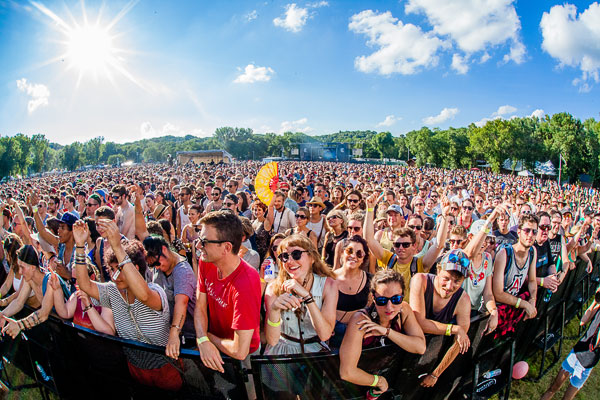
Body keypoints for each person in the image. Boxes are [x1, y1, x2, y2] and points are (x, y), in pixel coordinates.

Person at [73, 219, 180, 391]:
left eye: (119, 269)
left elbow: (144, 295)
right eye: (112, 269)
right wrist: (79, 245)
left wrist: (117, 247)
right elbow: (85, 285)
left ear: (135, 268)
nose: (115, 276)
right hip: (135, 369)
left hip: (166, 369)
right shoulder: (112, 292)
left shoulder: (155, 291)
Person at [339, 270, 426, 396]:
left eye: (396, 299)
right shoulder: (361, 320)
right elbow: (347, 372)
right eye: (382, 301)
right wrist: (378, 381)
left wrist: (386, 332)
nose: (390, 307)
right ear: (374, 298)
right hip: (360, 385)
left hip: (391, 381)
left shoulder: (403, 310)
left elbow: (420, 347)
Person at [194, 211, 261, 373]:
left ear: (226, 247)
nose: (198, 246)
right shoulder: (206, 261)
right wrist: (202, 339)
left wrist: (207, 338)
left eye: (204, 242)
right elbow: (200, 306)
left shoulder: (247, 282)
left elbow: (240, 350)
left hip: (244, 359)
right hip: (214, 348)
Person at [364, 193, 450, 299]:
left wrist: (445, 216)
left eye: (405, 245)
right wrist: (369, 209)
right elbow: (369, 240)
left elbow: (439, 245)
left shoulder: (420, 264)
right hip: (389, 309)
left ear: (414, 246)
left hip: (411, 312)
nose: (401, 248)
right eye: (397, 244)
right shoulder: (389, 258)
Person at [263, 233, 338, 354]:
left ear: (312, 258)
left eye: (296, 254)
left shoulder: (328, 285)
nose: (290, 261)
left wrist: (307, 297)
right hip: (282, 352)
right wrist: (275, 310)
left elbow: (325, 335)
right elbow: (272, 340)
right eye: (284, 256)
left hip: (315, 352)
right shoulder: (273, 288)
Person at [409, 249, 472, 387]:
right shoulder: (420, 280)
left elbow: (458, 344)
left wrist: (435, 374)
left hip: (430, 355)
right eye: (446, 278)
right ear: (438, 270)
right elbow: (419, 322)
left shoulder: (463, 300)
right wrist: (454, 328)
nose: (449, 286)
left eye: (457, 281)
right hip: (408, 347)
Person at [540, 288, 600, 400]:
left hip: (586, 362)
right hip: (577, 352)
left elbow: (596, 343)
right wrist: (594, 302)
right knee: (553, 387)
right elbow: (582, 321)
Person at [143, 235, 197, 359]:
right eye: (152, 265)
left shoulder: (182, 271)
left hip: (188, 335)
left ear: (164, 249)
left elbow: (181, 303)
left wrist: (174, 333)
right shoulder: (159, 266)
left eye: (157, 263)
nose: (156, 267)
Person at [0, 245, 70, 339]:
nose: (20, 272)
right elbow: (18, 302)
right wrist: (2, 315)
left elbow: (44, 313)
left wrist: (19, 325)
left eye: (22, 267)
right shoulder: (29, 280)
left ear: (33, 267)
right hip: (55, 330)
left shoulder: (50, 280)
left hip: (69, 331)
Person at [492, 214, 539, 338]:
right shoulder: (504, 254)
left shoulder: (532, 251)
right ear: (518, 232)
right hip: (497, 309)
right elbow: (498, 293)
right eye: (527, 230)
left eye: (534, 232)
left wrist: (532, 300)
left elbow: (532, 280)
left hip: (513, 305)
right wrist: (524, 304)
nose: (530, 235)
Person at [331, 236, 372, 347]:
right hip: (333, 332)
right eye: (349, 251)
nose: (353, 256)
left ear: (364, 258)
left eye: (359, 254)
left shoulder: (370, 280)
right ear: (342, 253)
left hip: (358, 331)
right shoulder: (328, 279)